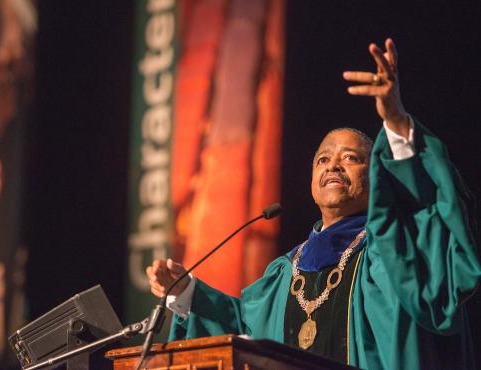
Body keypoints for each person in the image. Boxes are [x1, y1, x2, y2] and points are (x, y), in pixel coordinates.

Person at [146, 39, 481, 369]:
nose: (333, 165)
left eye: (350, 157)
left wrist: (395, 123)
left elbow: (431, 217)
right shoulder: (285, 273)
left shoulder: (394, 253)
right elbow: (242, 329)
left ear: (378, 172)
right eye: (323, 160)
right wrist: (188, 292)